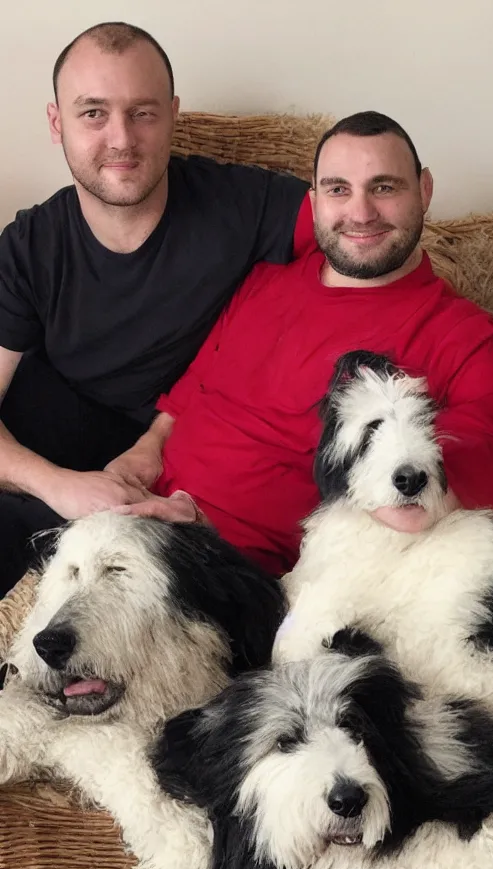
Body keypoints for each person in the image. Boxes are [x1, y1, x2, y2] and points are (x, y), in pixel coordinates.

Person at [106, 111, 493, 776]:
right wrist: (146, 449)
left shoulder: (462, 335)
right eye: (338, 190)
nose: (360, 211)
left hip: (239, 580)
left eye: (385, 188)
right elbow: (198, 385)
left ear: (425, 190)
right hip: (141, 518)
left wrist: (400, 476)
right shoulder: (267, 283)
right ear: (313, 202)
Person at [0, 21, 313, 595]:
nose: (120, 140)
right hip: (63, 456)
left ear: (172, 114)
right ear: (56, 123)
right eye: (92, 113)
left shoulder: (244, 204)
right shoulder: (29, 246)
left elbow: (358, 240)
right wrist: (58, 485)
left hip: (193, 464)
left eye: (141, 112)